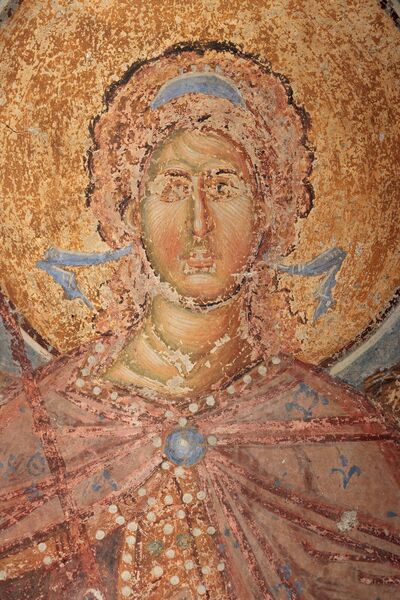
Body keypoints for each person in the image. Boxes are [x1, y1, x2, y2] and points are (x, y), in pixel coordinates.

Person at [0, 43, 399, 600]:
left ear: (270, 213)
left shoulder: (339, 432)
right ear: (128, 213)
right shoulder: (42, 419)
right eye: (171, 188)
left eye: (223, 187)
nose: (198, 223)